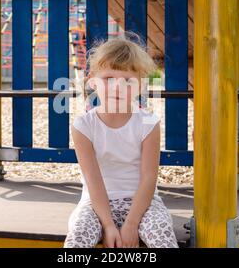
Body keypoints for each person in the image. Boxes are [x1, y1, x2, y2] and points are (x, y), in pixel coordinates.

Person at [64, 32, 179, 248]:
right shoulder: (84, 126)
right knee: (77, 237)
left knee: (163, 237)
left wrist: (132, 223)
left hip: (143, 204)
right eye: (109, 78)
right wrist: (107, 225)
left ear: (141, 87)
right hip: (96, 204)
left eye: (128, 80)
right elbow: (92, 178)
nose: (118, 87)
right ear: (93, 82)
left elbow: (148, 177)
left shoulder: (148, 123)